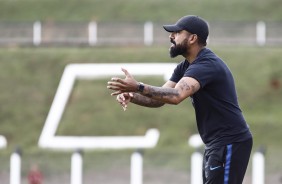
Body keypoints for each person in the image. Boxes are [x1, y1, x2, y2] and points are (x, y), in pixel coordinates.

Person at [107, 15, 252, 184]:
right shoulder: (185, 66)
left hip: (230, 141)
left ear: (192, 38)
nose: (171, 36)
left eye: (177, 32)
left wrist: (138, 86)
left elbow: (176, 96)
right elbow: (160, 99)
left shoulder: (206, 64)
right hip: (216, 143)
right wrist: (133, 96)